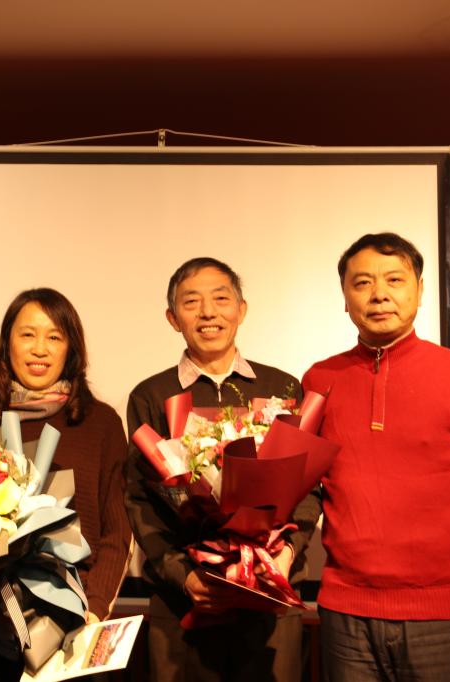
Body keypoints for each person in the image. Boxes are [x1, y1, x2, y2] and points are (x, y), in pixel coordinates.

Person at [301, 233, 450, 681]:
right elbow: (303, 483)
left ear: (420, 290)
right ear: (344, 297)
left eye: (395, 280)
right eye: (362, 282)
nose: (379, 294)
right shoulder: (320, 378)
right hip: (346, 614)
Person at [124, 257, 318, 682]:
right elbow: (140, 501)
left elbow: (308, 488)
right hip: (185, 604)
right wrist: (184, 576)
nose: (208, 312)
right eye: (191, 302)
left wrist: (284, 556)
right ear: (173, 318)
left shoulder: (282, 388)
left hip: (269, 599)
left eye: (220, 299)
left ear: (241, 310)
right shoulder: (151, 396)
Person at [0, 287, 132, 681]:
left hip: (74, 617)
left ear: (71, 349)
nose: (39, 349)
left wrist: (94, 609)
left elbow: (117, 530)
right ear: (7, 344)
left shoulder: (101, 425)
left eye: (54, 337)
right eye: (27, 335)